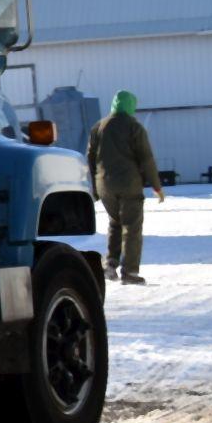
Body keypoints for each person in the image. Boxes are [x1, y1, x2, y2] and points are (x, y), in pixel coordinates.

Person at [85, 90, 165, 283]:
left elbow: (90, 157)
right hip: (129, 184)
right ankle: (129, 272)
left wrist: (95, 187)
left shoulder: (99, 127)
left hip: (104, 184)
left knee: (115, 222)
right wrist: (156, 186)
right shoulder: (134, 127)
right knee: (132, 226)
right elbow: (146, 159)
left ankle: (110, 263)